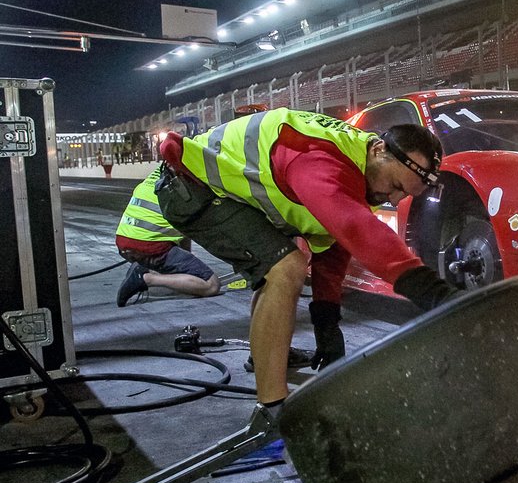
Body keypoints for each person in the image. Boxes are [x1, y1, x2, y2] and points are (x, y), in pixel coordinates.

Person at [153, 108, 462, 412]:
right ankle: (274, 410)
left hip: (215, 192)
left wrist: (326, 325)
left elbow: (332, 247)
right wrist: (435, 293)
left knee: (277, 267)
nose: (394, 200)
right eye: (396, 186)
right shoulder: (320, 154)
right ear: (380, 149)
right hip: (190, 186)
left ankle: (265, 359)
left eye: (405, 196)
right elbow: (354, 227)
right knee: (285, 266)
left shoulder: (358, 164)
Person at [115, 166, 221, 307]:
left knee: (182, 221)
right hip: (148, 245)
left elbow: (184, 229)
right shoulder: (192, 180)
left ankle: (141, 266)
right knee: (212, 285)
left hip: (125, 239)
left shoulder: (162, 170)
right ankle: (146, 278)